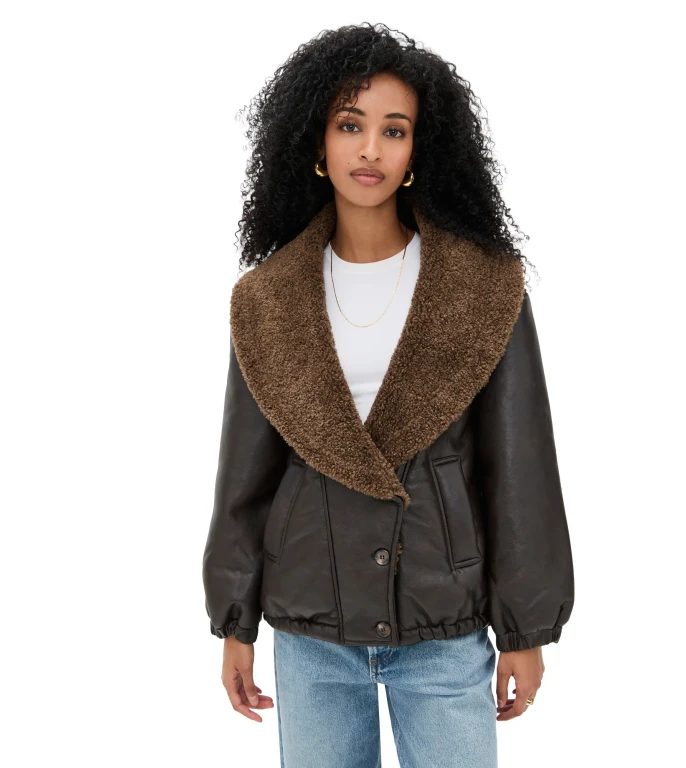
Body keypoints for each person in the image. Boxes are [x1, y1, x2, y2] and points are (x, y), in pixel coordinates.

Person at [202, 21, 575, 768]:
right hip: (310, 625)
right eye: (350, 125)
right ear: (315, 142)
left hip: (444, 622)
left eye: (393, 130)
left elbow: (519, 464)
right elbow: (246, 472)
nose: (370, 148)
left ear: (417, 151)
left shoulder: (483, 287)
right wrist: (235, 620)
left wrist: (525, 629)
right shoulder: (267, 297)